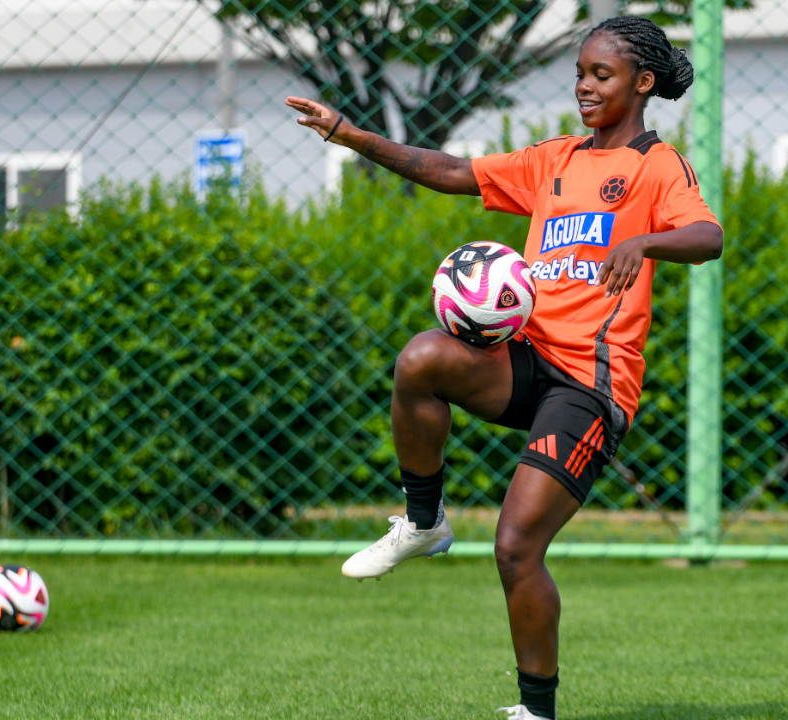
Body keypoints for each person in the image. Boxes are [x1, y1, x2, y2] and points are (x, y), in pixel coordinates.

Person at [285, 15, 722, 720]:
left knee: (516, 546)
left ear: (642, 83)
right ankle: (423, 524)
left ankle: (534, 712)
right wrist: (348, 133)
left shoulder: (655, 167)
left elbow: (708, 236)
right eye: (579, 72)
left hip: (591, 384)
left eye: (600, 75)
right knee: (422, 358)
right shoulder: (556, 159)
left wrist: (644, 242)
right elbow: (452, 171)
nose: (583, 86)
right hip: (526, 362)